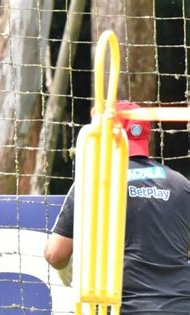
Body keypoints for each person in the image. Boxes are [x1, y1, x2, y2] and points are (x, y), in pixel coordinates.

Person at [44, 101, 190, 313]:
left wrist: (70, 277)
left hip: (123, 307)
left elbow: (55, 253)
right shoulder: (181, 183)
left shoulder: (96, 180)